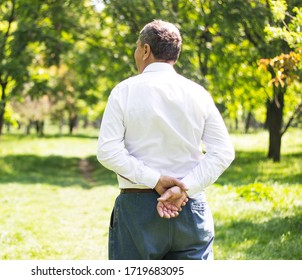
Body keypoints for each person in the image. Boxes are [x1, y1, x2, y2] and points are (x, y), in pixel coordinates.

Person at [96, 19, 235, 260]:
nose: (136, 52)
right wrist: (186, 188)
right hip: (189, 207)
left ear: (146, 50)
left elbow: (108, 151)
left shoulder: (124, 91)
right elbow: (223, 152)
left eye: (137, 46)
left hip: (137, 211)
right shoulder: (198, 93)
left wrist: (155, 180)